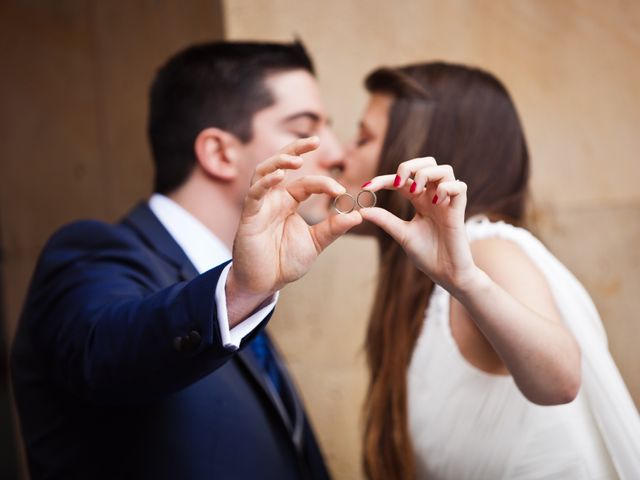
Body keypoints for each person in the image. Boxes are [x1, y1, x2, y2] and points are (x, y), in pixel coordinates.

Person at [10, 41, 361, 480]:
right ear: (218, 153)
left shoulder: (239, 294)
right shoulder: (92, 254)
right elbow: (105, 352)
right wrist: (239, 291)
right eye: (304, 128)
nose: (336, 153)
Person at [340, 62, 640, 479]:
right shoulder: (429, 277)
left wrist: (465, 280)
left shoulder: (489, 251)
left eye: (363, 138)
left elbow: (561, 381)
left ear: (421, 149)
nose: (341, 155)